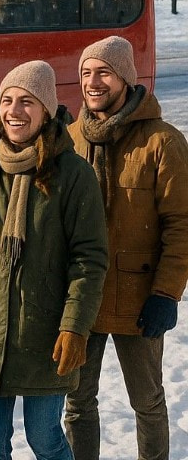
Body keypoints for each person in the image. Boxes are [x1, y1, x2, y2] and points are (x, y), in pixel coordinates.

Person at [0, 61, 108, 460]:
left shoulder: (73, 174)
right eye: (7, 100)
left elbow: (88, 259)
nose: (14, 110)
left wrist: (75, 327)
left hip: (45, 329)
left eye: (27, 101)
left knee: (46, 441)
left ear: (47, 111)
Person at [65, 36, 188, 460]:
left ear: (125, 78)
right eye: (86, 72)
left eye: (104, 72)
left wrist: (166, 293)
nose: (92, 82)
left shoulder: (162, 141)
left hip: (140, 298)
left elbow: (181, 224)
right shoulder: (70, 139)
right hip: (82, 297)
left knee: (147, 403)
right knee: (77, 403)